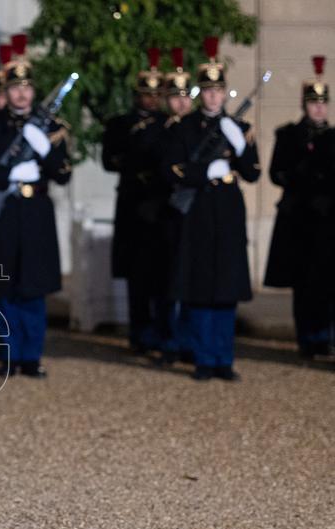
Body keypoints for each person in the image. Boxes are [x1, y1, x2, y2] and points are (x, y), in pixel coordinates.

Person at [0, 33, 73, 378]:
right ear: (5, 91)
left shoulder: (53, 129)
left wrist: (45, 150)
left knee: (34, 287)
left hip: (36, 211)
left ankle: (31, 356)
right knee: (4, 286)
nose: (21, 93)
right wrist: (9, 172)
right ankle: (9, 355)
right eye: (14, 88)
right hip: (4, 212)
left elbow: (64, 173)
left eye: (26, 87)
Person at [162, 37, 261, 381]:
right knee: (202, 286)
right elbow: (171, 169)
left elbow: (252, 172)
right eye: (207, 90)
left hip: (229, 212)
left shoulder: (240, 128)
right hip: (199, 212)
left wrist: (240, 145)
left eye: (218, 90)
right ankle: (204, 358)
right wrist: (207, 172)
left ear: (225, 92)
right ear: (199, 93)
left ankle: (224, 358)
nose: (213, 96)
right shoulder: (185, 128)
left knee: (227, 288)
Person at [263, 56, 334, 358]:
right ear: (304, 104)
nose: (318, 108)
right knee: (302, 281)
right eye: (313, 103)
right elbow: (276, 172)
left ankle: (324, 336)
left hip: (328, 218)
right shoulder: (288, 135)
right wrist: (300, 176)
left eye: (323, 103)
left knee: (328, 280)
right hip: (298, 217)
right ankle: (306, 337)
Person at [102, 48, 168, 354]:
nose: (151, 100)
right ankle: (139, 333)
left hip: (161, 204)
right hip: (132, 203)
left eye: (156, 95)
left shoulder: (169, 124)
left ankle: (163, 332)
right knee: (136, 275)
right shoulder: (119, 124)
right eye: (146, 94)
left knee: (161, 274)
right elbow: (110, 160)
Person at [155, 48, 196, 365]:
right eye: (175, 97)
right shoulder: (159, 131)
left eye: (186, 96)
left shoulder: (198, 129)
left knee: (193, 280)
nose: (181, 102)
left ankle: (190, 341)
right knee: (167, 280)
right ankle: (168, 340)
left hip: (195, 214)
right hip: (165, 213)